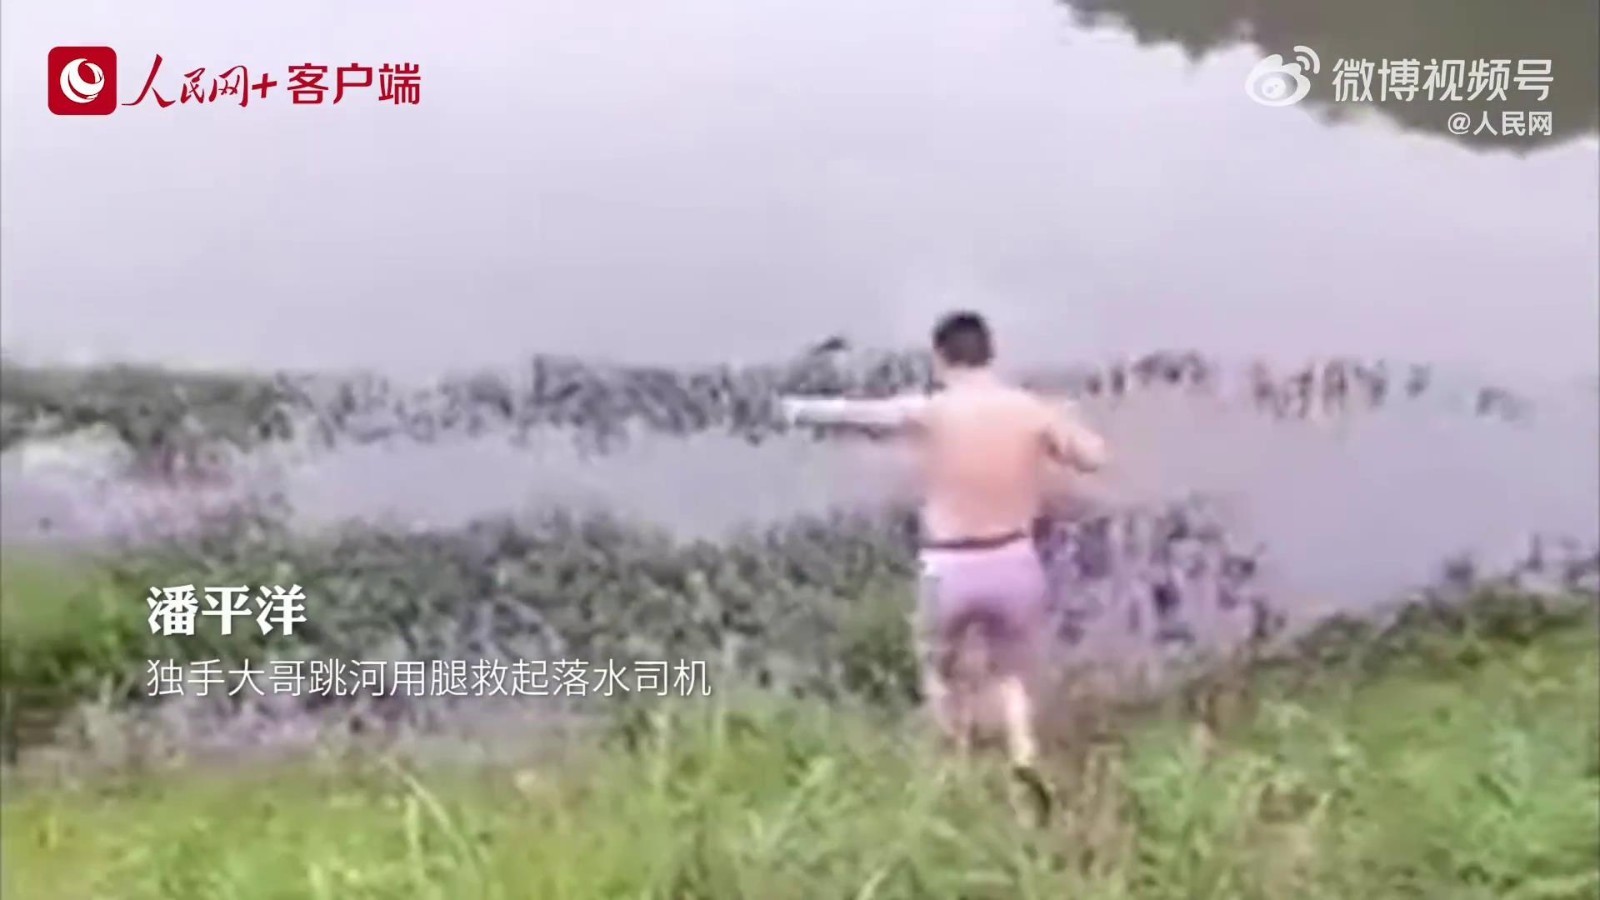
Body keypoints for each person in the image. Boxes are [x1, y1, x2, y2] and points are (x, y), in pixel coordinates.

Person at [781, 311, 1109, 818]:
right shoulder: (1030, 409)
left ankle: (951, 767)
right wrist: (1059, 422)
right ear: (991, 353)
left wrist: (795, 408)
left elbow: (859, 415)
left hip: (951, 565)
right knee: (1012, 674)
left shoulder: (932, 411)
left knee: (939, 670)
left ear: (940, 358)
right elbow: (1094, 457)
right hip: (1014, 559)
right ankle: (1023, 758)